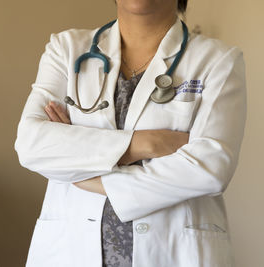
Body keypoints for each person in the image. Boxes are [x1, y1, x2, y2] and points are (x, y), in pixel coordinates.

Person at [14, 0, 247, 266]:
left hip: (172, 254)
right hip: (70, 249)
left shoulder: (218, 60)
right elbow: (32, 144)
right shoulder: (67, 49)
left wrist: (92, 177)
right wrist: (146, 143)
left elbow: (211, 167)